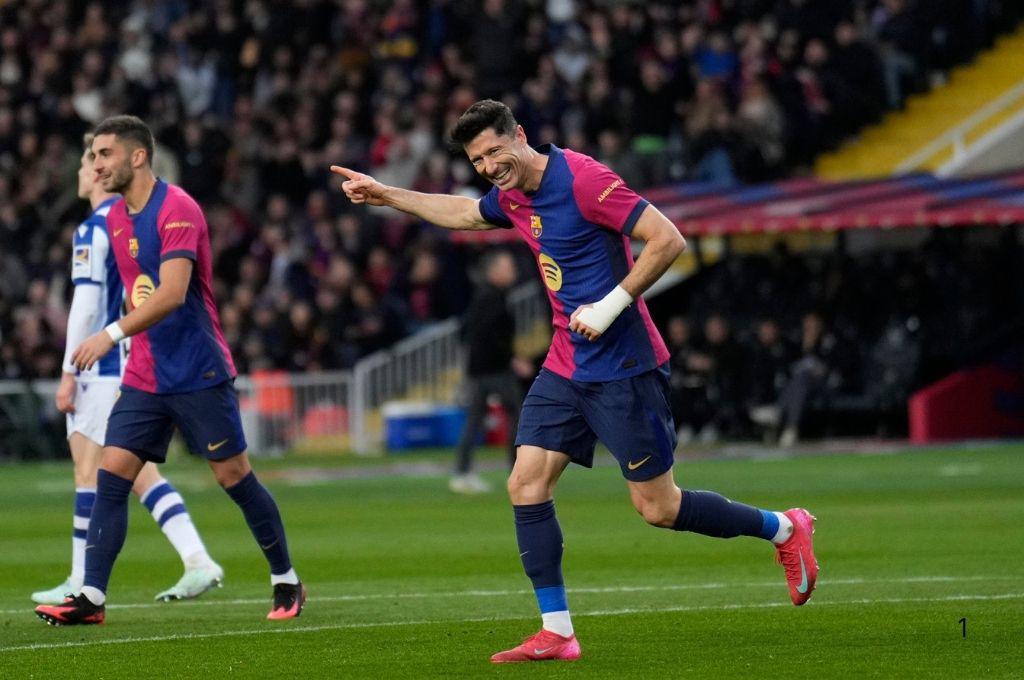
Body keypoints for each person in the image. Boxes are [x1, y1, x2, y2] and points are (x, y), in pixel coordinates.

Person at [331, 99, 819, 663]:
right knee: (525, 483)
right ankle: (557, 631)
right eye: (477, 160)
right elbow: (464, 213)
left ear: (520, 135)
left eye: (494, 151)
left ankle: (784, 529)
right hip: (566, 364)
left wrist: (610, 306)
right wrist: (386, 194)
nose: (488, 166)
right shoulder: (512, 194)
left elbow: (667, 239)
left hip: (624, 368)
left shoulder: (584, 179)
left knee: (659, 508)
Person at [34, 115, 304, 626]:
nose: (95, 165)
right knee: (112, 474)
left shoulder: (177, 207)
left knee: (233, 476)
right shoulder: (116, 219)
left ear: (138, 156)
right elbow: (134, 292)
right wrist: (124, 339)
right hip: (145, 375)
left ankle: (285, 579)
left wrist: (110, 335)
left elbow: (173, 293)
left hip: (197, 370)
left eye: (105, 154)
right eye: (93, 157)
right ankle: (90, 597)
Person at [31, 133, 224, 606]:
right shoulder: (128, 224)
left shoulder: (94, 229)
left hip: (99, 365)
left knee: (93, 472)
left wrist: (68, 370)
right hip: (128, 359)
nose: (84, 170)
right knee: (130, 474)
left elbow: (86, 305)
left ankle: (83, 581)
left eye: (91, 161)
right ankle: (195, 560)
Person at [451, 249, 531, 494]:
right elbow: (490, 335)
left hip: (480, 369)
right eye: (508, 267)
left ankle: (462, 472)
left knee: (475, 420)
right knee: (519, 415)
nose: (513, 271)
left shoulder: (486, 295)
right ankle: (517, 471)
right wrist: (512, 358)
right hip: (494, 369)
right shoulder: (491, 297)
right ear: (494, 271)